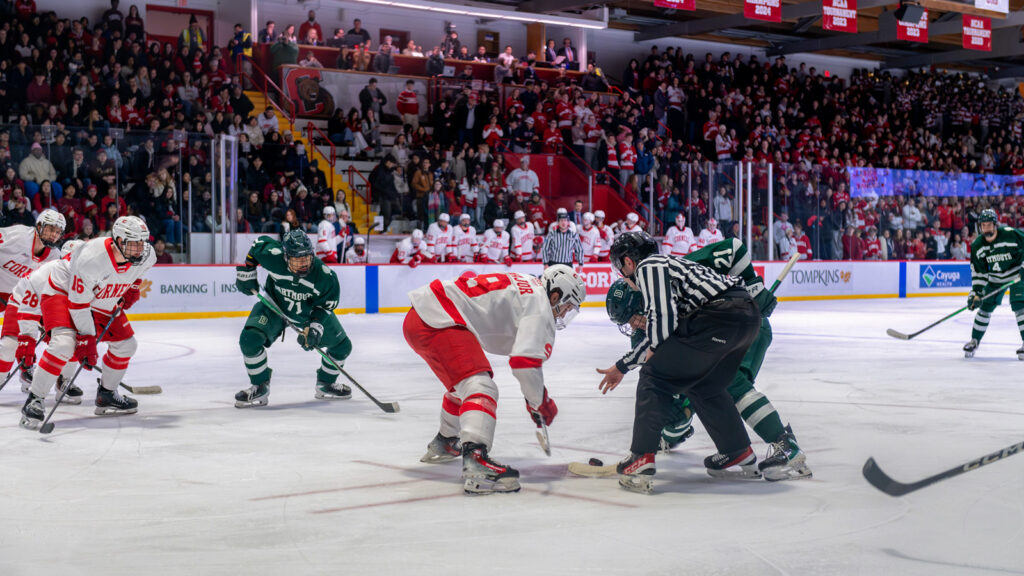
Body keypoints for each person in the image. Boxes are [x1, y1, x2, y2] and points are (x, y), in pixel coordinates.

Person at [607, 238, 811, 481]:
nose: (634, 327)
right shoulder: (664, 286)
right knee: (706, 381)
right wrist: (672, 427)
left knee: (723, 382)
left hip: (724, 319)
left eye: (632, 319)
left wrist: (754, 286)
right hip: (734, 321)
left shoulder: (653, 269)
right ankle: (737, 451)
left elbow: (734, 248)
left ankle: (783, 444)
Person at [595, 232, 765, 493]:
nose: (622, 274)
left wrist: (644, 357)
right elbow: (668, 330)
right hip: (746, 319)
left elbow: (663, 322)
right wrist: (622, 366)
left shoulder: (649, 266)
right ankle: (737, 451)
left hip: (719, 317)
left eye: (620, 266)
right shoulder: (672, 267)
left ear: (629, 262)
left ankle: (641, 457)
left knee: (655, 376)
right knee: (703, 384)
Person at [404, 264, 586, 494]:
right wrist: (540, 402)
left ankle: (447, 441)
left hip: (424, 316)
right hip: (439, 318)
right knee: (481, 387)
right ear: (555, 295)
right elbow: (524, 364)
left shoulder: (526, 283)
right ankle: (476, 460)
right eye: (566, 306)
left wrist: (534, 398)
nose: (562, 314)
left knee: (464, 385)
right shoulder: (540, 305)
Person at [20, 217, 155, 429]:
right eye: (135, 243)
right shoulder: (92, 258)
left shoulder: (146, 255)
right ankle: (35, 400)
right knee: (65, 343)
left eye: (143, 242)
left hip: (100, 298)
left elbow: (138, 272)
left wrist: (133, 287)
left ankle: (106, 394)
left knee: (127, 345)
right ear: (119, 240)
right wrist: (86, 339)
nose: (141, 249)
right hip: (64, 293)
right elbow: (77, 304)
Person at [233, 231, 353, 408]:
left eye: (306, 258)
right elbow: (257, 245)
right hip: (274, 306)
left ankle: (325, 384)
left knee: (342, 347)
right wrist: (248, 271)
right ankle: (259, 386)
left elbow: (326, 306)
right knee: (249, 340)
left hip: (307, 314)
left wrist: (314, 328)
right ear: (286, 256)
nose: (303, 264)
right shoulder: (273, 257)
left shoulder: (325, 276)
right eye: (297, 259)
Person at [1, 239, 84, 400]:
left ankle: (63, 382)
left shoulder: (86, 274)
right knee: (10, 345)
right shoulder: (46, 273)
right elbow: (29, 311)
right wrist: (28, 342)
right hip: (22, 302)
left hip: (49, 306)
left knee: (72, 339)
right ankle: (12, 373)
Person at [963, 209, 1024, 359]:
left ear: (995, 225)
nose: (986, 228)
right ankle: (974, 340)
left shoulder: (1011, 234)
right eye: (983, 225)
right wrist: (976, 293)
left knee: (1019, 305)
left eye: (989, 224)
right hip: (995, 279)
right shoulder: (978, 245)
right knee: (984, 307)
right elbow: (979, 273)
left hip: (1017, 274)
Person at [0, 208, 64, 305]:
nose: (54, 235)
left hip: (15, 300)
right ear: (39, 226)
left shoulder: (55, 257)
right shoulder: (19, 235)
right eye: (51, 229)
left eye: (58, 232)